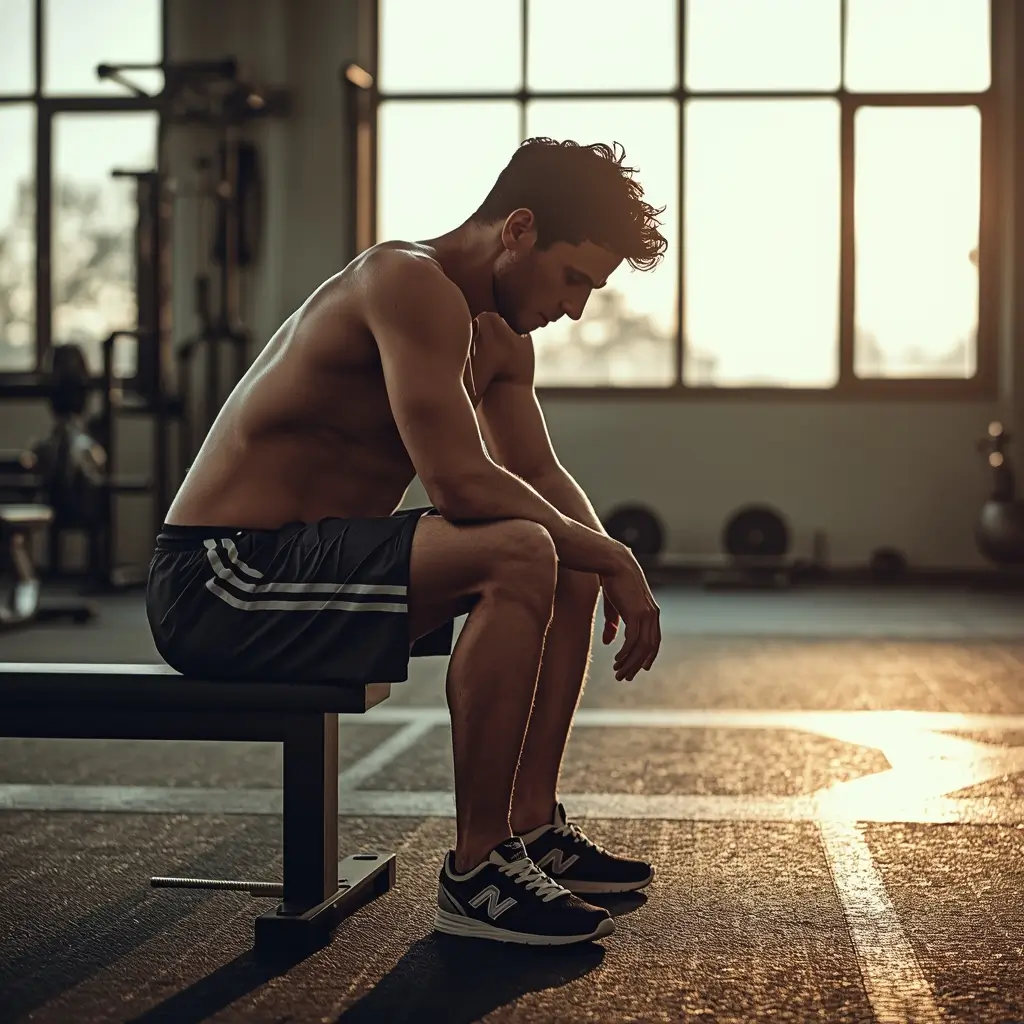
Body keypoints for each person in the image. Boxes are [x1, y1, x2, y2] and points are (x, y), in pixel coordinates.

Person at [147, 137, 667, 947]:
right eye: (574, 279)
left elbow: (535, 469)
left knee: (565, 560)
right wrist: (613, 554)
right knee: (529, 549)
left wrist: (601, 554)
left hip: (316, 562)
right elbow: (459, 484)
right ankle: (476, 869)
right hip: (222, 577)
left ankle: (529, 828)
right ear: (519, 229)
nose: (576, 309)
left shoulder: (499, 338)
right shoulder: (406, 281)